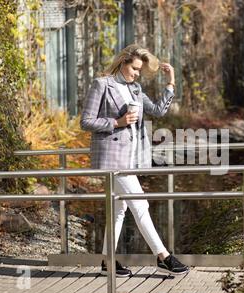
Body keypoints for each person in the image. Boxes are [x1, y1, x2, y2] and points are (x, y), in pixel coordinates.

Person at [80, 44, 189, 277]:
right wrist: (117, 122)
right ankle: (164, 257)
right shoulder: (102, 84)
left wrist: (170, 83)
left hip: (130, 159)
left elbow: (159, 111)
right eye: (135, 68)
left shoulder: (136, 89)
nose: (137, 73)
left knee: (119, 210)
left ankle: (107, 263)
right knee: (140, 206)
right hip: (112, 159)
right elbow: (86, 121)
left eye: (140, 70)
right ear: (123, 62)